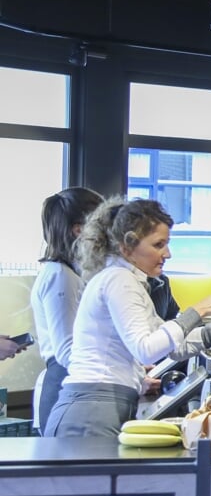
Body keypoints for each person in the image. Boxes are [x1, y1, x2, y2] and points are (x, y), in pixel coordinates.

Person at [46, 198, 211, 437]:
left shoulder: (126, 280)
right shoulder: (119, 280)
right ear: (127, 246)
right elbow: (147, 349)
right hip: (92, 409)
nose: (167, 253)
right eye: (159, 244)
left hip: (98, 405)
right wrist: (199, 310)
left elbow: (174, 346)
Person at [29, 186, 103, 433]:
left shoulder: (72, 273)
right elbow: (66, 351)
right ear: (78, 229)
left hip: (72, 384)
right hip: (63, 385)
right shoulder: (60, 276)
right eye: (102, 221)